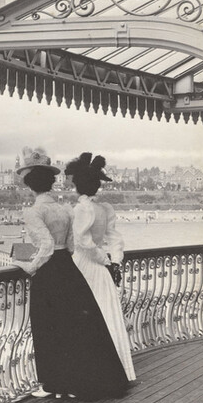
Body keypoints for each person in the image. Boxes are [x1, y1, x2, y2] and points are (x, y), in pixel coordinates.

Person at [13, 146, 129, 400]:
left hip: (49, 272)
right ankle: (77, 382)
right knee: (74, 328)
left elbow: (45, 246)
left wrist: (29, 267)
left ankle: (54, 383)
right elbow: (72, 245)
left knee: (48, 328)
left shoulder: (33, 211)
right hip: (69, 268)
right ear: (51, 183)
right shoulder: (65, 209)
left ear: (30, 185)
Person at [64, 152, 137, 383]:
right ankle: (115, 370)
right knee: (106, 315)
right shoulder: (105, 208)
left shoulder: (82, 209)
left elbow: (83, 242)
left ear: (78, 186)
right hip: (101, 270)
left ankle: (87, 373)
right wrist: (115, 262)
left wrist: (106, 261)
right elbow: (115, 239)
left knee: (82, 318)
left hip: (84, 266)